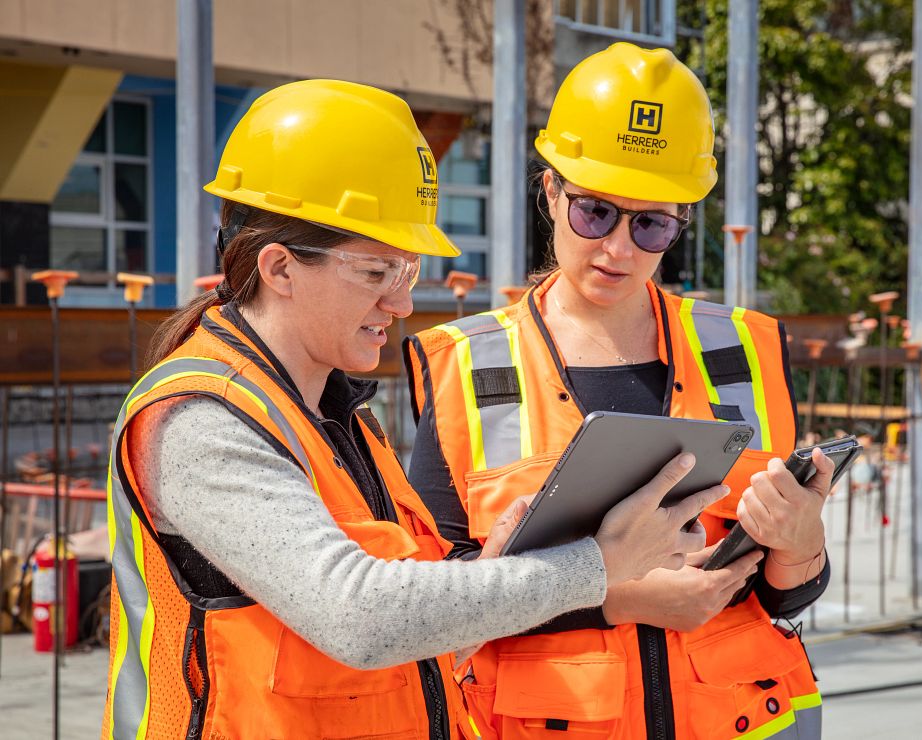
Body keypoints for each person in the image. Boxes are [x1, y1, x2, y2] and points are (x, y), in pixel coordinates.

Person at [100, 79, 727, 740]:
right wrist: (599, 566)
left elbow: (415, 636)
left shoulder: (339, 419)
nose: (400, 306)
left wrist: (499, 566)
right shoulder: (200, 421)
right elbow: (359, 617)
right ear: (279, 268)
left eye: (409, 273)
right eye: (375, 274)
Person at [405, 43, 832, 740]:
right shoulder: (469, 366)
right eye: (595, 213)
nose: (619, 249)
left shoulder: (739, 351)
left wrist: (803, 542)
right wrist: (624, 598)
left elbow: (788, 591)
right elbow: (437, 603)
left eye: (651, 224)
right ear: (550, 193)